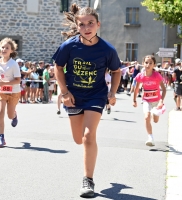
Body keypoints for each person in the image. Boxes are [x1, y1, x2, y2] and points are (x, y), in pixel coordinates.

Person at [53, 4, 121, 197]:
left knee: (88, 136)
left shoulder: (107, 49)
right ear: (77, 26)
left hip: (96, 95)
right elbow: (58, 67)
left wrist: (112, 93)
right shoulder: (69, 46)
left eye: (90, 23)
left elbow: (116, 72)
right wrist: (65, 92)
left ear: (98, 24)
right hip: (74, 96)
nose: (86, 28)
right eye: (82, 24)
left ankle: (88, 181)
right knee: (77, 139)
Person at [0, 38, 21, 148]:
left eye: (7, 48)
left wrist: (5, 83)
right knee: (0, 112)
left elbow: (18, 80)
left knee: (9, 115)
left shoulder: (13, 64)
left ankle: (14, 115)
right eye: (3, 47)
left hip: (13, 91)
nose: (4, 49)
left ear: (11, 50)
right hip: (2, 91)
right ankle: (1, 137)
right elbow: (0, 76)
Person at [133, 55, 166, 147]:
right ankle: (150, 138)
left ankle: (156, 113)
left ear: (154, 65)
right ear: (143, 64)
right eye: (146, 63)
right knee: (147, 117)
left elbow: (164, 89)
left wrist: (161, 101)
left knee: (155, 120)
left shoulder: (157, 75)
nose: (148, 65)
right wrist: (134, 100)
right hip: (146, 100)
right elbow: (136, 89)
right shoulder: (140, 76)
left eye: (150, 63)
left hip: (156, 100)